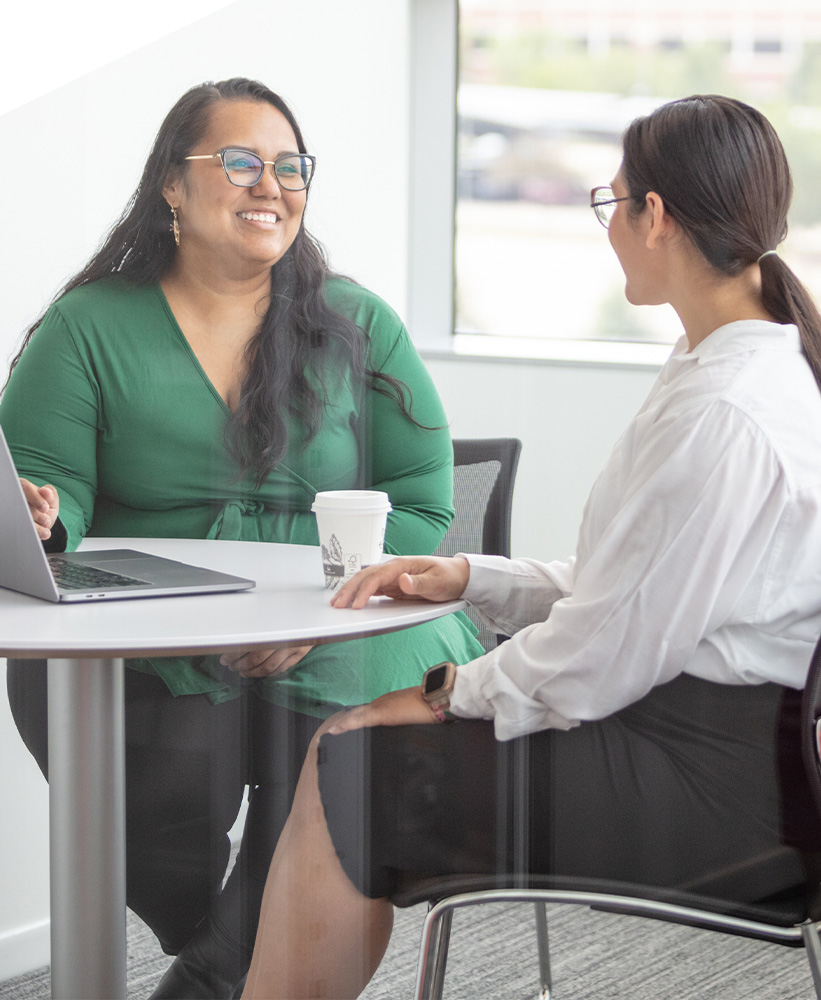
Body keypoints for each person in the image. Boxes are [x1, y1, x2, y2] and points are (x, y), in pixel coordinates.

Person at [240, 93, 821, 999]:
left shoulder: (726, 412)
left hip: (715, 794)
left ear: (654, 215)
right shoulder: (739, 371)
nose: (608, 227)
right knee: (350, 750)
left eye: (610, 202)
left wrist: (443, 693)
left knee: (347, 759)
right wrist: (473, 577)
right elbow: (629, 589)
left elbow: (606, 651)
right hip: (719, 749)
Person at [0, 77, 485, 999]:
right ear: (171, 188)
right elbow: (45, 498)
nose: (271, 183)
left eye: (290, 165)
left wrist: (315, 603)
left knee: (349, 780)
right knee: (127, 782)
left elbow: (424, 508)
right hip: (160, 632)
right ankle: (219, 946)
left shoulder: (357, 324)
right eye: (239, 161)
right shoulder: (90, 325)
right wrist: (42, 512)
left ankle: (217, 975)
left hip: (347, 616)